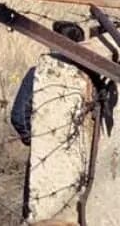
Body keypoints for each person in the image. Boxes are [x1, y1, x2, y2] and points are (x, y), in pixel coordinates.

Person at [9, 20, 115, 221]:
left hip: (47, 161)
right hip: (89, 161)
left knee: (38, 211)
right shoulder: (97, 74)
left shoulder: (40, 73)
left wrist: (38, 138)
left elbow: (18, 115)